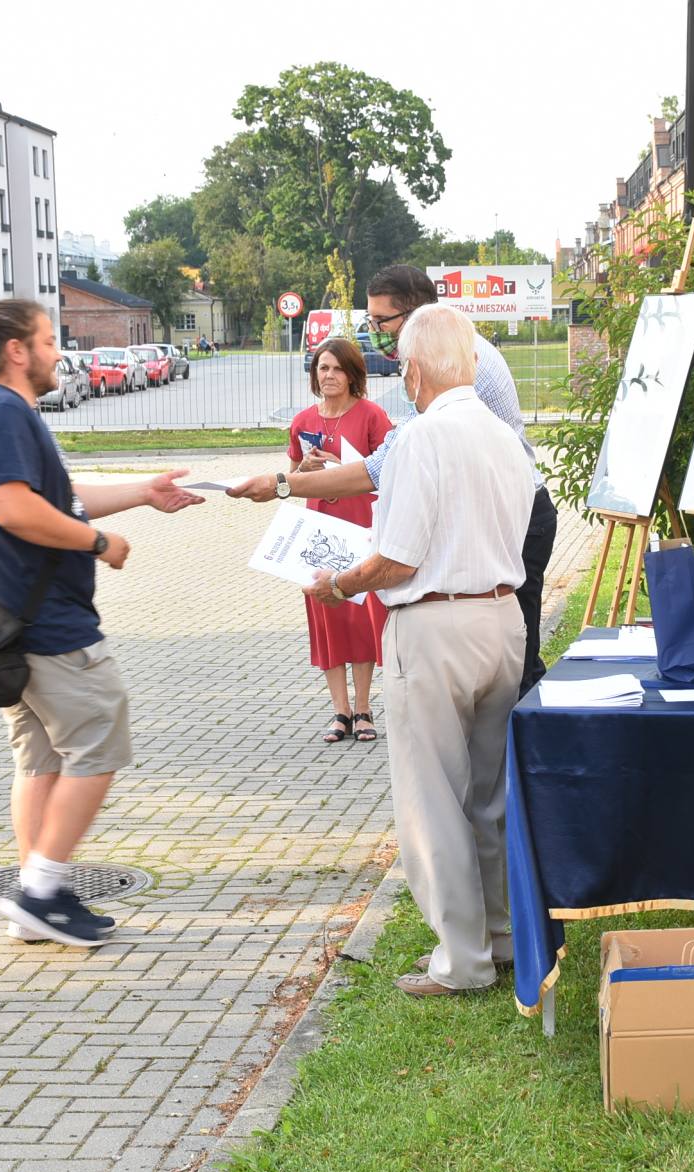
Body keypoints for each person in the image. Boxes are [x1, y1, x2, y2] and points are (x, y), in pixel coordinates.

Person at [0, 299, 204, 949]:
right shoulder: (3, 410)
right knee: (98, 735)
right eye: (47, 339)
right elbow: (14, 509)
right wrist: (96, 543)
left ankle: (41, 895)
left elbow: (54, 497)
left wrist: (145, 492)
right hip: (47, 625)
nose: (59, 352)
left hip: (14, 621)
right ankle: (40, 889)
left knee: (40, 760)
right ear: (16, 351)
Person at [302, 306, 535, 997]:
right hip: (502, 616)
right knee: (489, 796)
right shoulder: (506, 437)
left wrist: (340, 585)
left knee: (433, 801)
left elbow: (397, 559)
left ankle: (461, 961)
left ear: (414, 370)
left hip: (434, 625)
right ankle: (499, 938)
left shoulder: (419, 439)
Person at [230, 264, 558, 694]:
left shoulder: (450, 368)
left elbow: (378, 474)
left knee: (514, 670)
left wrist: (282, 486)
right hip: (500, 516)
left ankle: (529, 753)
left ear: (415, 316)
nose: (374, 331)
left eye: (380, 321)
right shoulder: (454, 351)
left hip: (514, 518)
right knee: (508, 667)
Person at [288, 338, 395, 744]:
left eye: (335, 368)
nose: (328, 375)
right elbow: (290, 480)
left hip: (360, 524)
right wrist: (303, 467)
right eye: (322, 368)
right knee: (327, 616)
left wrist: (343, 468)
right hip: (320, 526)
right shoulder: (301, 422)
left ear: (352, 374)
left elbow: (390, 469)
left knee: (358, 615)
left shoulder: (371, 415)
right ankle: (340, 712)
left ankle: (365, 707)